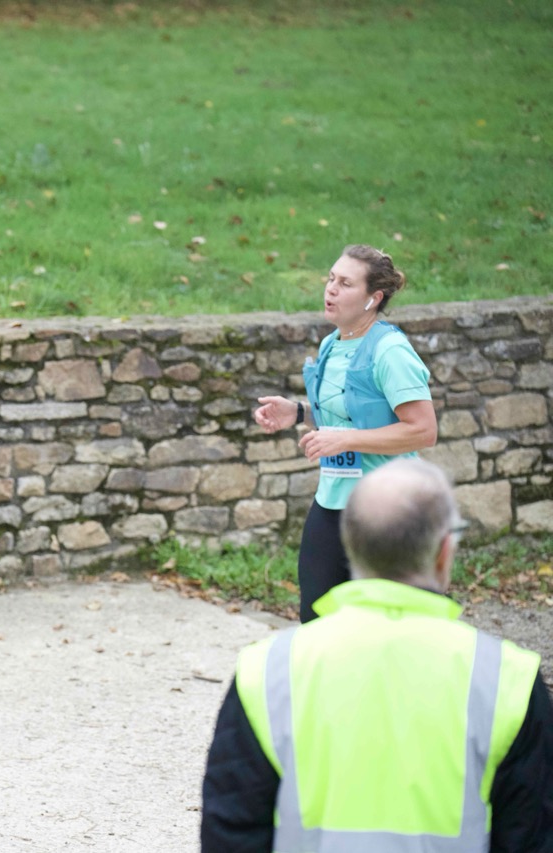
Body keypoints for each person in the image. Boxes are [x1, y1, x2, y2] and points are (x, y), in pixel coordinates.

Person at [201, 458, 553, 852]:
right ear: (444, 552)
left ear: (348, 545)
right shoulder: (510, 681)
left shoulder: (266, 673)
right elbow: (533, 837)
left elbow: (230, 834)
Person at [254, 244, 437, 621]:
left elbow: (423, 430)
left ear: (374, 298)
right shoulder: (331, 344)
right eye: (331, 279)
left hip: (388, 510)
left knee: (387, 625)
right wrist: (299, 412)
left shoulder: (390, 351)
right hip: (332, 503)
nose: (331, 289)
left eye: (345, 283)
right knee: (316, 620)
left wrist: (347, 440)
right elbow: (348, 416)